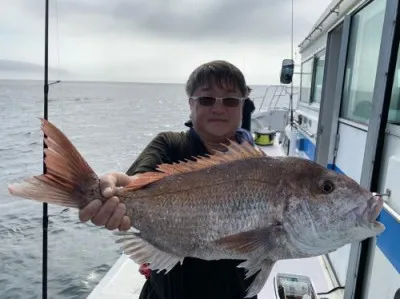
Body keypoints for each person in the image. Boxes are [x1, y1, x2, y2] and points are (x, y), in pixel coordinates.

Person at [78, 60, 258, 299]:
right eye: (206, 99)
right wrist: (113, 189)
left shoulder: (259, 167)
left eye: (230, 100)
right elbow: (137, 182)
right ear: (190, 104)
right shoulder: (170, 144)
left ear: (243, 105)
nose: (218, 108)